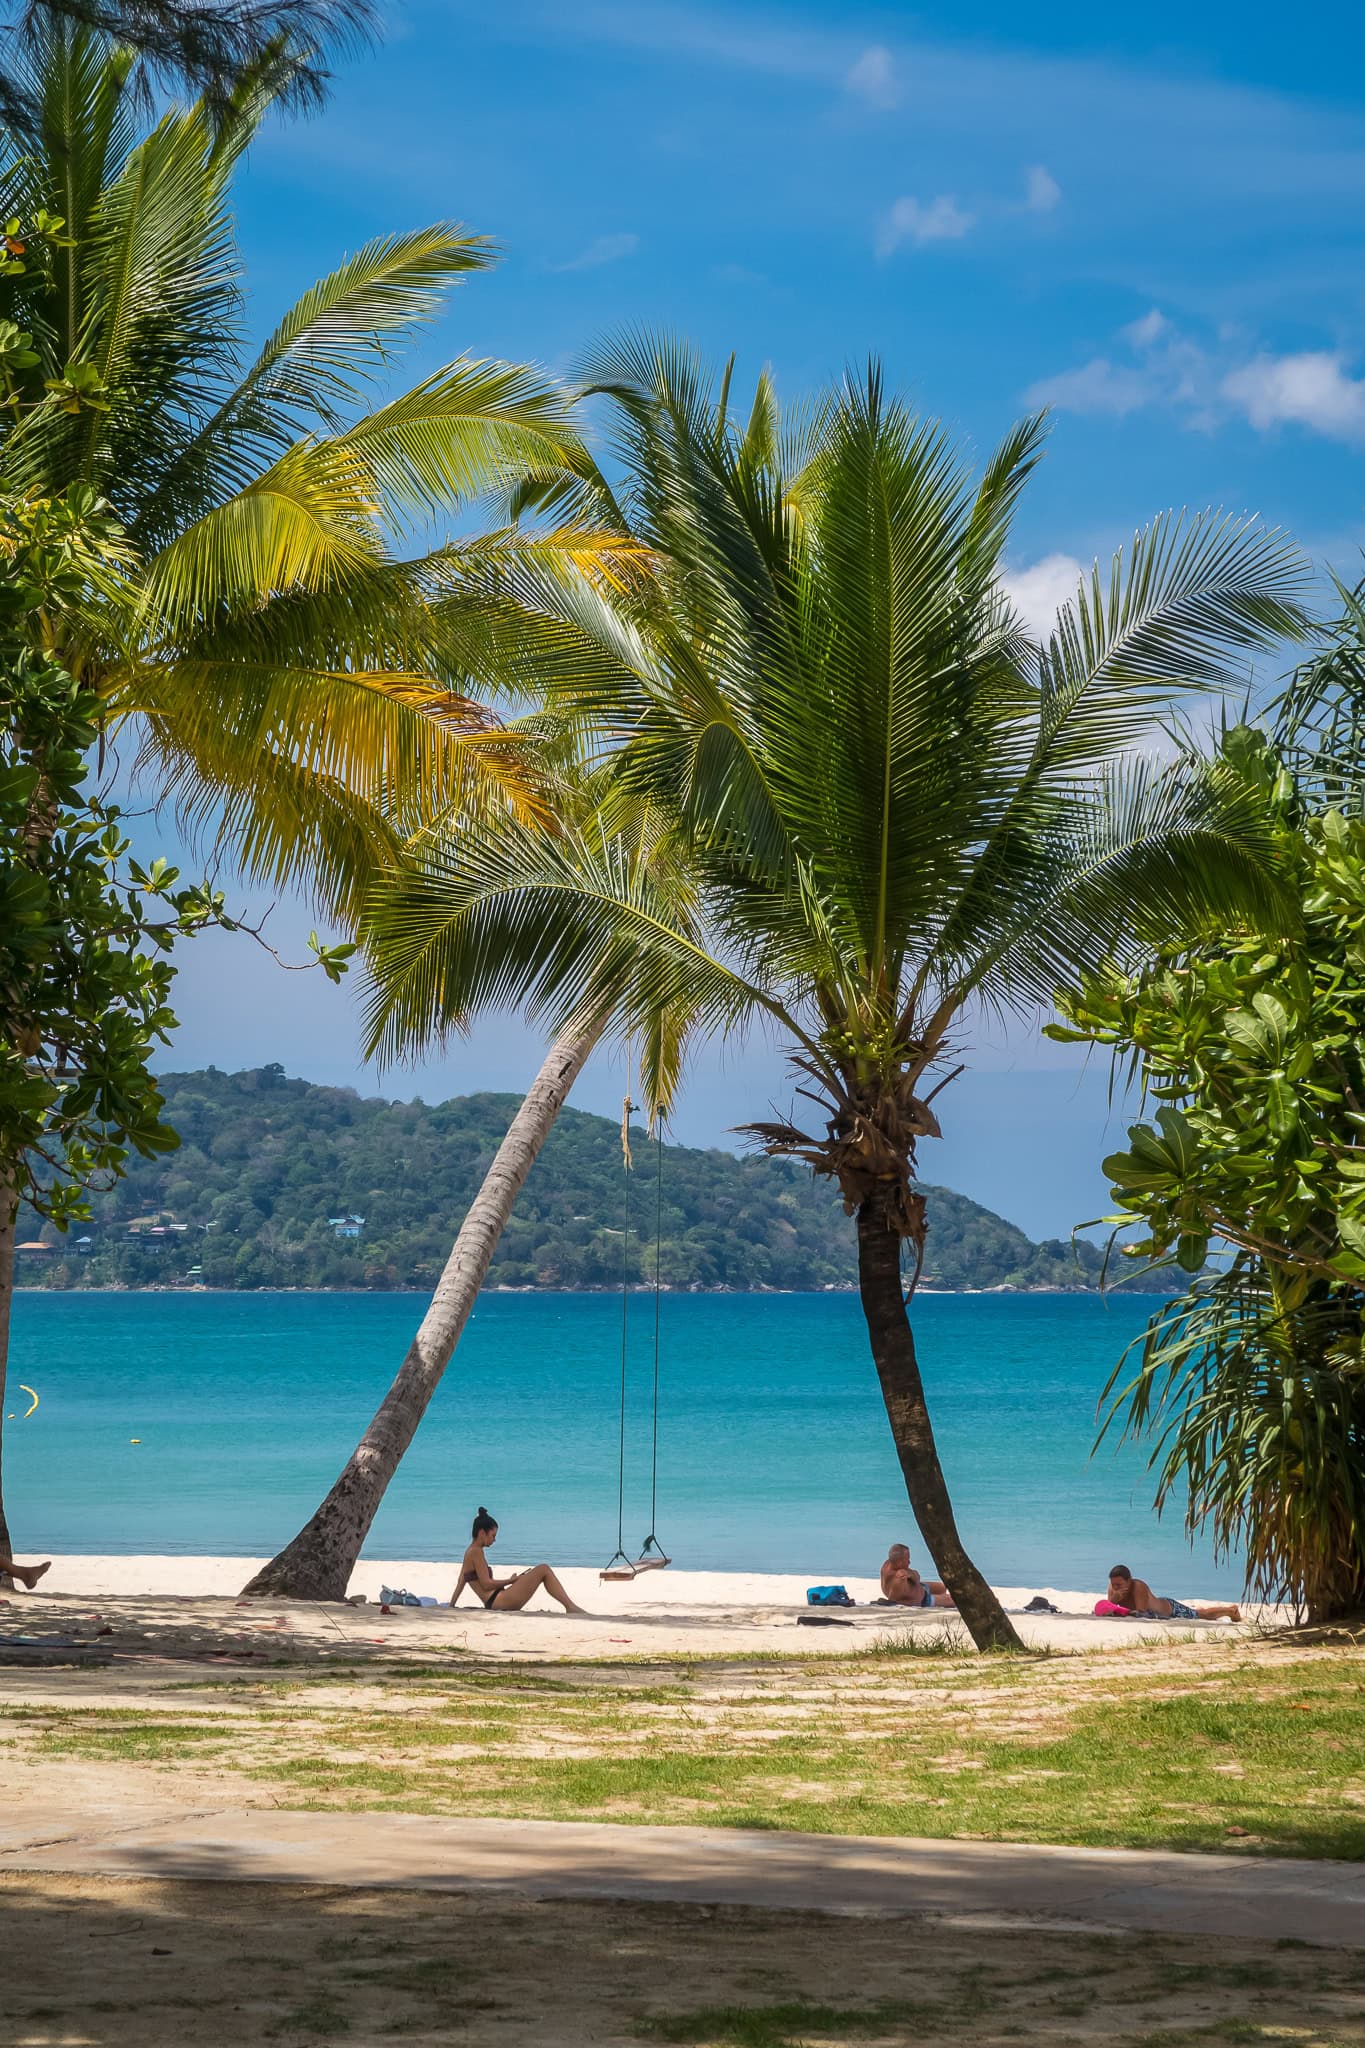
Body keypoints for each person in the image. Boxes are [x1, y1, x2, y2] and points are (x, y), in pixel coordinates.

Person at [453, 1508, 586, 1614]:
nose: (494, 1540)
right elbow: (486, 1584)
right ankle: (570, 1606)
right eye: (493, 1535)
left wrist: (451, 1605)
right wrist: (511, 1581)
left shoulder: (469, 1552)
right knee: (543, 1569)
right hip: (499, 1601)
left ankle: (570, 1606)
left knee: (540, 1571)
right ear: (482, 1533)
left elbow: (461, 1580)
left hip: (496, 1600)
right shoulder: (476, 1552)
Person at [1106, 1564, 1240, 1623]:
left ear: (1129, 1581)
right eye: (1114, 1584)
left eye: (1119, 1585)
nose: (1116, 1587)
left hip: (1170, 1609)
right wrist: (1114, 1599)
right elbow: (1108, 1607)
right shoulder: (1113, 1587)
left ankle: (1231, 1610)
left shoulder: (1138, 1587)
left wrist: (1116, 1607)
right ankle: (1229, 1610)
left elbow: (1141, 1613)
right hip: (1161, 1608)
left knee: (1201, 1615)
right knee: (1199, 1613)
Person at [880, 1542, 955, 1609]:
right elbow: (895, 1601)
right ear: (900, 1562)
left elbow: (917, 1577)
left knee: (943, 1587)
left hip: (921, 1586)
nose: (909, 1562)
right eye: (907, 1559)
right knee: (955, 1599)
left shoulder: (887, 1564)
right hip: (924, 1599)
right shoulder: (899, 1579)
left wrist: (910, 1574)